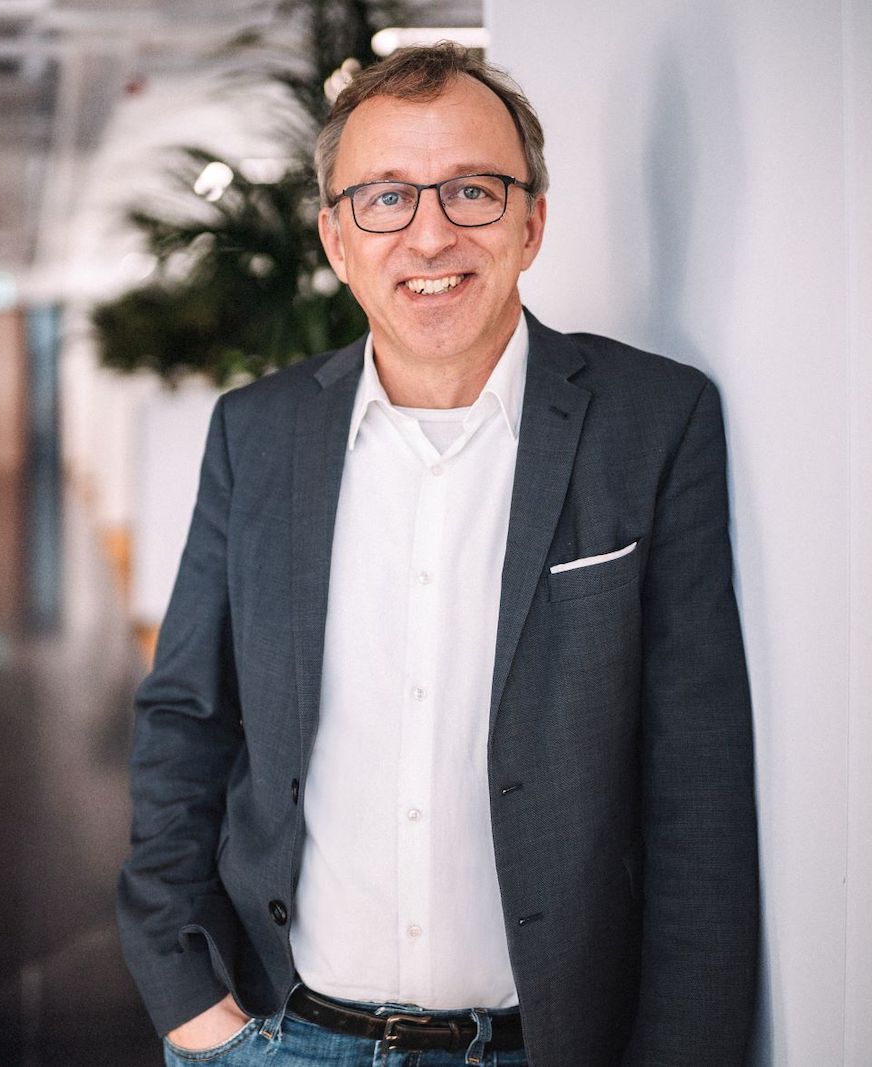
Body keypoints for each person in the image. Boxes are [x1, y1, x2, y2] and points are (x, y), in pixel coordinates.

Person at [117, 43, 758, 1067]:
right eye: (385, 197)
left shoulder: (653, 423)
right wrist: (188, 997)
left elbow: (699, 785)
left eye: (472, 189)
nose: (429, 233)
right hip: (283, 1034)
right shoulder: (257, 434)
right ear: (335, 238)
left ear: (530, 222)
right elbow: (188, 717)